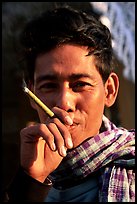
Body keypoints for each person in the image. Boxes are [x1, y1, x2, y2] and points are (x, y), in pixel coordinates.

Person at [2, 5, 135, 202]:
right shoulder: (22, 177)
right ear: (32, 95)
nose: (64, 102)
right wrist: (31, 181)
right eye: (49, 86)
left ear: (110, 90)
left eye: (80, 85)